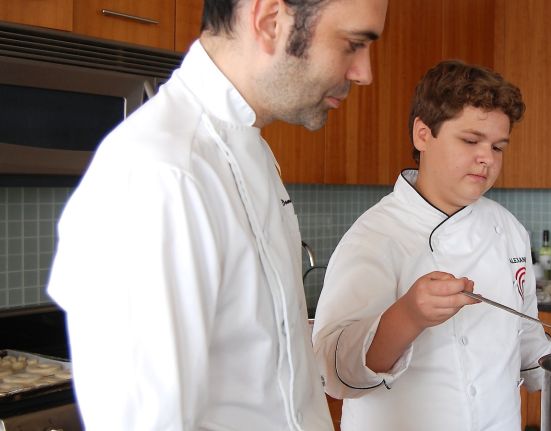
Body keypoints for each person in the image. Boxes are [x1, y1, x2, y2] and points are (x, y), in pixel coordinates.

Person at [46, 0, 387, 429]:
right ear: (269, 22)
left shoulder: (249, 148)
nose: (364, 72)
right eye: (353, 44)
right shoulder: (162, 175)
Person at [312, 60, 551, 431]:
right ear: (423, 135)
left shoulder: (507, 229)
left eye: (498, 146)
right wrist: (409, 316)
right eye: (471, 140)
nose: (487, 159)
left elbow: (524, 337)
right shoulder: (375, 237)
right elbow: (334, 372)